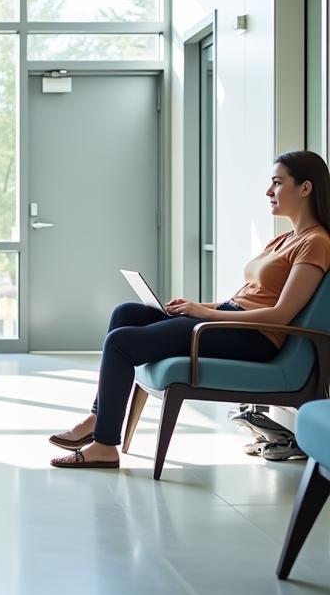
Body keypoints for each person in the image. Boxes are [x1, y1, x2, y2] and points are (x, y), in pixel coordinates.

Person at [49, 150, 330, 470]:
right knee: (126, 313)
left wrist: (206, 315)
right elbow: (248, 297)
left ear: (305, 188)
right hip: (230, 322)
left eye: (277, 183)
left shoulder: (316, 242)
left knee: (121, 342)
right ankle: (98, 418)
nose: (269, 191)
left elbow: (280, 315)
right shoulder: (284, 239)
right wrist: (194, 306)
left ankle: (104, 446)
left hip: (254, 338)